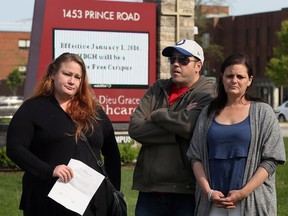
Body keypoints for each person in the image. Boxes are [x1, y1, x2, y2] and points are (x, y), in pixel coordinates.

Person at [6, 52, 121, 216]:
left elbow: (112, 153)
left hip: (93, 203)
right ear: (52, 74)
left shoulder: (94, 111)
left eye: (77, 77)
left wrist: (113, 191)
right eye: (67, 74)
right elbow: (15, 148)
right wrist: (49, 170)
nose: (71, 81)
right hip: (47, 202)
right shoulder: (33, 108)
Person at [187, 53, 286, 216]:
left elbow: (271, 159)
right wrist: (208, 192)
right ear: (221, 78)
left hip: (251, 201)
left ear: (250, 80)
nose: (234, 80)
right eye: (229, 76)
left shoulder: (263, 112)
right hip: (213, 203)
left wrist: (242, 193)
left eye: (240, 76)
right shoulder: (208, 112)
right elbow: (195, 156)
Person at [128, 39, 216, 216]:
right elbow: (135, 128)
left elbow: (190, 126)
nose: (176, 64)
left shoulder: (207, 91)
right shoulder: (157, 88)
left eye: (183, 60)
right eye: (172, 59)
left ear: (198, 65)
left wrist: (158, 115)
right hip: (150, 191)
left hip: (186, 191)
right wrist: (177, 130)